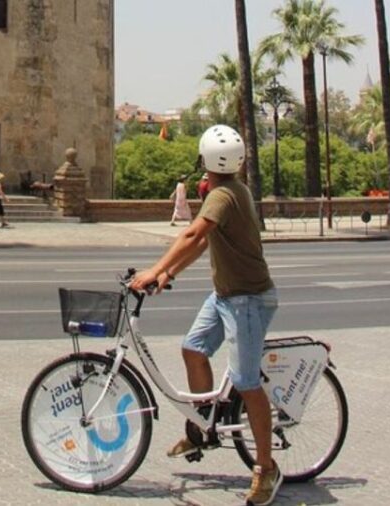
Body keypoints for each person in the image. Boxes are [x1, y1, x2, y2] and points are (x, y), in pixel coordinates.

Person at [129, 125, 280, 506]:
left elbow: (193, 235)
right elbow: (204, 242)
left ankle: (266, 468)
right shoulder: (229, 191)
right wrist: (167, 273)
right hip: (227, 295)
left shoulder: (224, 196)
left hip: (247, 300)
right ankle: (204, 427)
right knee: (193, 348)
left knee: (246, 382)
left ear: (204, 160)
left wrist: (152, 269)